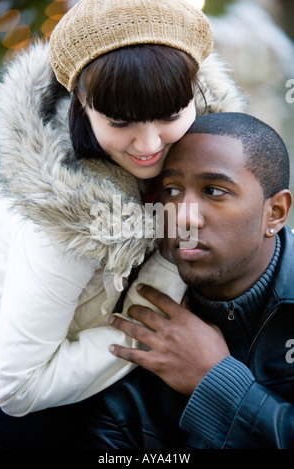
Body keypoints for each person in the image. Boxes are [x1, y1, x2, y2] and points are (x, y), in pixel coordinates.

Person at [0, 0, 246, 449]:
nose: (149, 145)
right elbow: (17, 388)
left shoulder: (213, 153)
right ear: (82, 106)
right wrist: (163, 285)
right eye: (120, 122)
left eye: (170, 115)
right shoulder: (64, 220)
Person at [86, 112, 294, 449]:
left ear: (275, 212)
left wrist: (215, 381)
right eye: (171, 190)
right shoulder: (136, 326)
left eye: (213, 190)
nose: (182, 216)